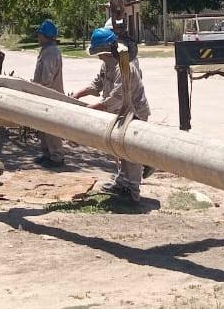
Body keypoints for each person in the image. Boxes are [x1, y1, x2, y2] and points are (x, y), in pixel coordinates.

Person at [72, 27, 151, 202]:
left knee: (132, 151)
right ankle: (122, 182)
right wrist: (78, 94)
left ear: (104, 50)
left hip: (135, 113)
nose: (98, 56)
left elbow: (117, 96)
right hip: (121, 114)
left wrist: (92, 108)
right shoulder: (107, 65)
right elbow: (96, 85)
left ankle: (133, 191)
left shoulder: (124, 67)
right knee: (119, 149)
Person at [31, 19, 64, 167]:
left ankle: (56, 157)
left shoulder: (51, 52)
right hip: (43, 95)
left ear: (46, 36)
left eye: (40, 35)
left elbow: (47, 78)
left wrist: (36, 87)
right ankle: (47, 154)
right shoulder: (46, 50)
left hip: (50, 95)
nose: (38, 37)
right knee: (44, 127)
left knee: (52, 128)